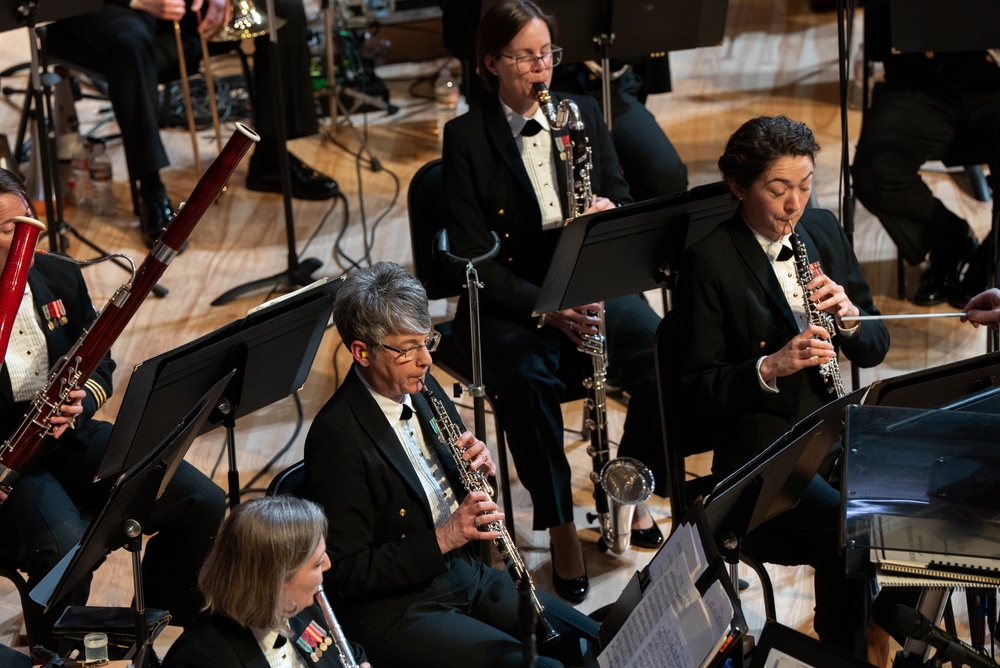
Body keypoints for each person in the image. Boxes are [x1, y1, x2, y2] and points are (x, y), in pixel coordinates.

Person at [441, 0, 666, 604]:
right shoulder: (464, 137)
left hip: (585, 283)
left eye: (548, 54)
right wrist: (547, 307)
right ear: (491, 63)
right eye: (525, 57)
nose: (541, 69)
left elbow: (618, 194)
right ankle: (562, 525)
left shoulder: (582, 112)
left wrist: (608, 215)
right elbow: (468, 255)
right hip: (512, 298)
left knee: (655, 346)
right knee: (525, 378)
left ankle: (628, 490)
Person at [666, 116, 890, 659]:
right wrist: (769, 367)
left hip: (839, 434)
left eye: (806, 184)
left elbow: (876, 344)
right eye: (779, 189)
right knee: (852, 531)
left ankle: (880, 630)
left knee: (920, 498)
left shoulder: (824, 232)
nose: (795, 204)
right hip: (764, 461)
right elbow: (693, 390)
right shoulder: (709, 262)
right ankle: (845, 652)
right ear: (739, 188)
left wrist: (853, 319)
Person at [303, 261, 598, 668]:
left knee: (592, 642)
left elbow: (457, 493)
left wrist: (476, 472)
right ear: (362, 351)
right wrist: (444, 536)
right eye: (409, 348)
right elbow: (348, 573)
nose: (425, 359)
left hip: (463, 573)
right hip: (400, 608)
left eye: (428, 341)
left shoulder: (425, 388)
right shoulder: (335, 436)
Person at [0, 168, 226, 644]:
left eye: (27, 221)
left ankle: (172, 620)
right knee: (65, 548)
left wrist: (82, 402)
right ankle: (52, 649)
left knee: (200, 500)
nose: (24, 237)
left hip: (73, 435)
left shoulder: (59, 273)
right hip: (9, 464)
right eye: (7, 229)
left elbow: (100, 360)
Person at [45, 0, 337, 247]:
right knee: (129, 39)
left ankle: (271, 157)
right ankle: (151, 187)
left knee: (283, 6)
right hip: (99, 7)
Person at [439, 0, 688, 202]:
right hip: (530, 94)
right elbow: (458, 35)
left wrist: (612, 209)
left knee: (665, 174)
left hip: (604, 88)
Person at [851, 0, 1000, 308]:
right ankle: (949, 238)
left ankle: (992, 258)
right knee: (875, 172)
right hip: (921, 80)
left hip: (993, 79)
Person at [162, 496, 370, 668]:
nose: (328, 565)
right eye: (316, 564)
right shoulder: (199, 660)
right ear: (278, 582)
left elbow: (346, 654)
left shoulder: (299, 609)